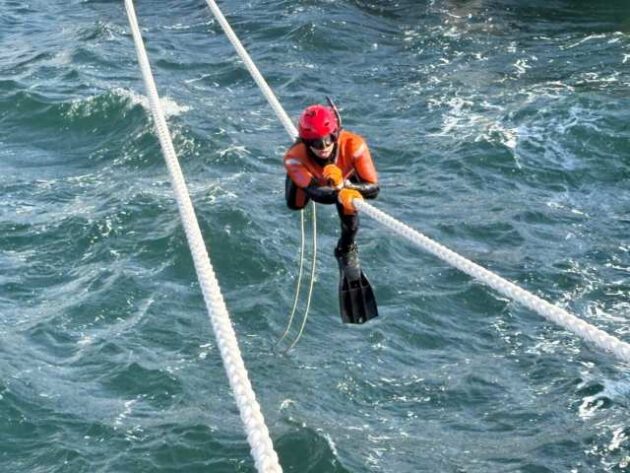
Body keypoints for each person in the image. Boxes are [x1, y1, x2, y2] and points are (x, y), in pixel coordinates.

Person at [283, 101, 380, 323]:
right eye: (316, 143)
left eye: (329, 139)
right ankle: (298, 179)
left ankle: (346, 249)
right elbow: (317, 194)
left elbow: (374, 189)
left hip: (346, 179)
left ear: (336, 134)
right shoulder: (294, 157)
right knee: (295, 204)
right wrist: (336, 191)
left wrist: (347, 188)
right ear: (306, 142)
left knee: (350, 219)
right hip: (315, 182)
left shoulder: (354, 146)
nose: (324, 146)